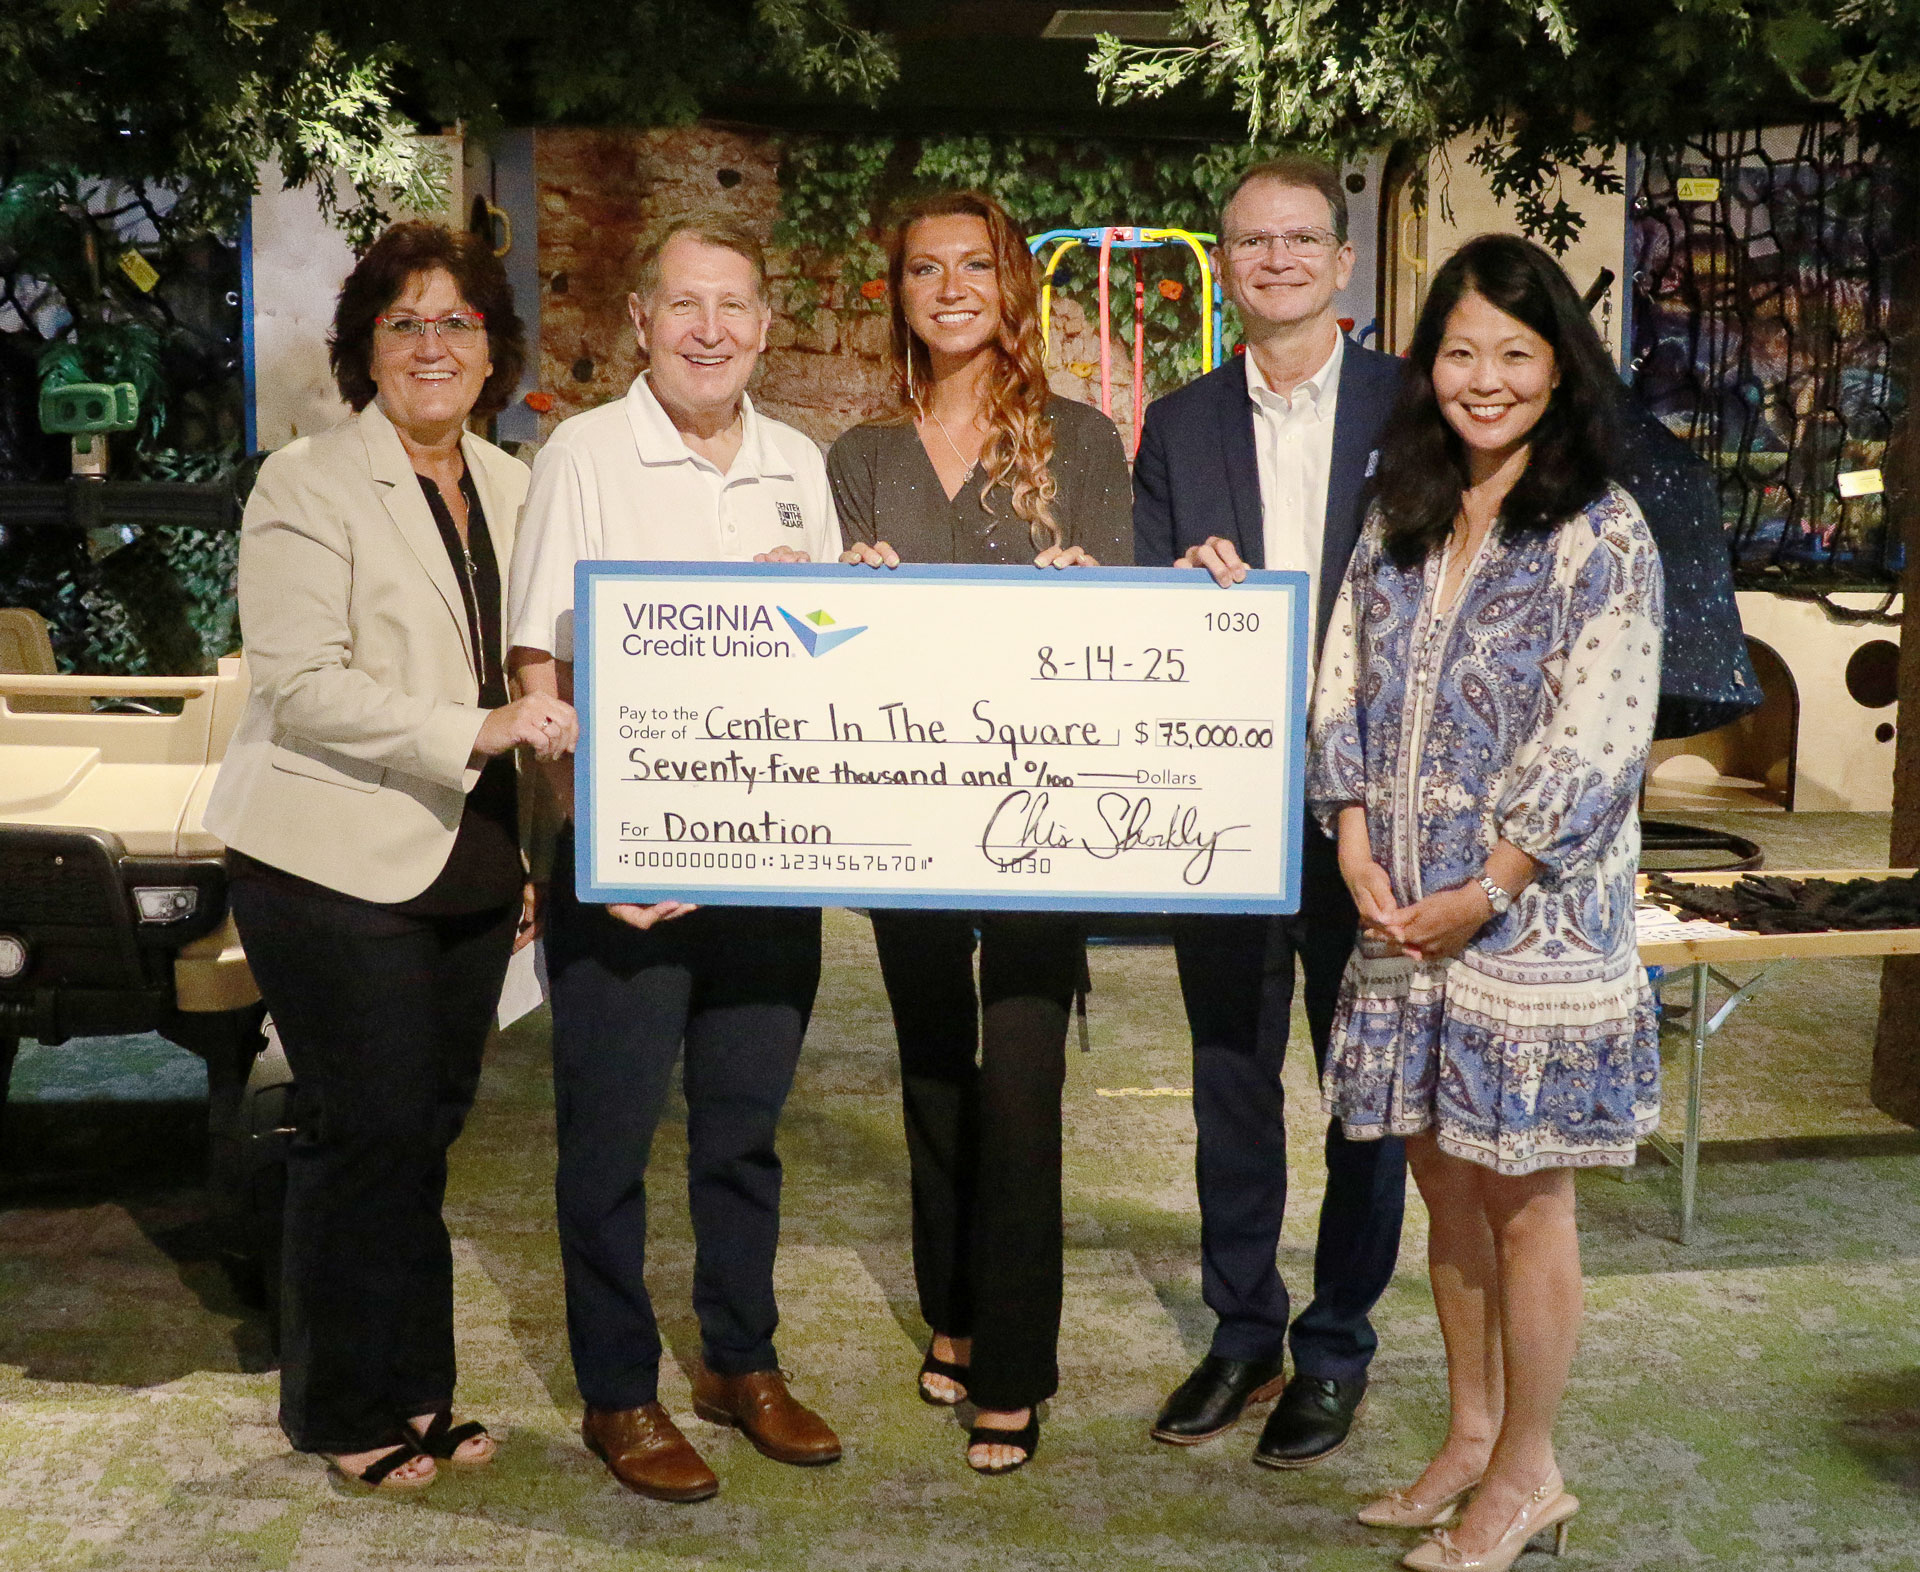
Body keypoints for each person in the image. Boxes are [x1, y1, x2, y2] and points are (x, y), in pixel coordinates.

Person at [1307, 232, 1662, 1571]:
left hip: (1530, 929)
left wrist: (1492, 883)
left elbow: (1599, 740)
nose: (1486, 379)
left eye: (1515, 353)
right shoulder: (1401, 509)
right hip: (1400, 913)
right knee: (1440, 1175)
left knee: (1523, 1196)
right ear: (1429, 366)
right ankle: (1468, 1437)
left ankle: (1528, 1472)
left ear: (1560, 368)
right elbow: (1343, 677)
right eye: (1461, 352)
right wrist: (1352, 836)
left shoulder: (1600, 531)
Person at [204, 221, 576, 1491]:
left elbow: (542, 669)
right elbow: (302, 684)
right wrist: (478, 729)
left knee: (425, 1135)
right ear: (365, 348)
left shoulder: (517, 485)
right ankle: (342, 1404)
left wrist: (530, 855)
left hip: (468, 856)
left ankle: (420, 1387)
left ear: (492, 349)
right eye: (403, 322)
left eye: (457, 322)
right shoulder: (304, 483)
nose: (432, 345)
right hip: (325, 856)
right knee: (360, 1133)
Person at [506, 215, 843, 1504]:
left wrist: (835, 607)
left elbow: (836, 652)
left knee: (745, 1134)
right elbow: (536, 665)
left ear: (765, 325)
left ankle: (738, 1362)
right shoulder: (584, 453)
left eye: (734, 305)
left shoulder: (799, 463)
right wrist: (597, 843)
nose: (711, 330)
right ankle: (619, 1392)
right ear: (641, 322)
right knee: (608, 1143)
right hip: (626, 874)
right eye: (685, 306)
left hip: (768, 863)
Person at [828, 189, 1132, 1476]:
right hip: (904, 813)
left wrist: (1087, 593)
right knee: (930, 1070)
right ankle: (950, 1310)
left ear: (1013, 287)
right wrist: (840, 596)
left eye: (973, 266)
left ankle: (1013, 1365)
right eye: (923, 269)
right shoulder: (860, 455)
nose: (949, 288)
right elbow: (831, 656)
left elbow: (1126, 638)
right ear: (898, 294)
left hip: (1038, 818)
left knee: (1020, 1081)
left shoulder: (1081, 441)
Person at [1132, 156, 1410, 1467]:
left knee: (1366, 1095)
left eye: (1303, 239)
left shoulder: (1417, 407)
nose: (1279, 260)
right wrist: (1179, 582)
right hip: (1227, 813)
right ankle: (1243, 1332)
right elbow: (1140, 609)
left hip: (1379, 820)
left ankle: (1335, 1344)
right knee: (1231, 1084)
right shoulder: (1178, 424)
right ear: (1226, 263)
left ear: (1342, 262)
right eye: (1254, 241)